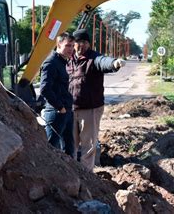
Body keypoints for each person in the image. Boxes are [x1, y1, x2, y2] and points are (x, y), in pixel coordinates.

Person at [67, 28, 126, 170]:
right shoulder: (69, 60)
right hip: (70, 109)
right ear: (73, 44)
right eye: (78, 42)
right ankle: (72, 173)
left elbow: (104, 62)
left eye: (84, 43)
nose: (80, 45)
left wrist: (114, 63)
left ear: (88, 44)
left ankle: (86, 175)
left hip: (90, 110)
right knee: (70, 144)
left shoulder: (94, 59)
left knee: (88, 145)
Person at [40, 32, 75, 157]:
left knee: (69, 150)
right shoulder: (51, 63)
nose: (71, 49)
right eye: (68, 46)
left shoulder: (63, 62)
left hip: (66, 111)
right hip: (57, 112)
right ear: (58, 45)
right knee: (50, 150)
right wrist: (60, 107)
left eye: (72, 46)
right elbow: (44, 89)